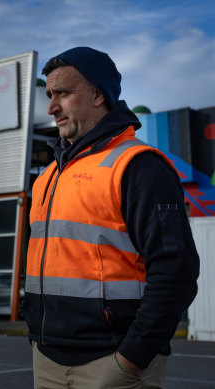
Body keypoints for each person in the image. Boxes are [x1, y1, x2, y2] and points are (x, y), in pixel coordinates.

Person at [23, 47, 200, 388]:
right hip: (46, 359)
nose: (51, 107)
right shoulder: (47, 177)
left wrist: (133, 357)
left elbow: (176, 270)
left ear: (98, 94)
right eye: (49, 95)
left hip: (112, 362)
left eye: (62, 93)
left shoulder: (138, 166)